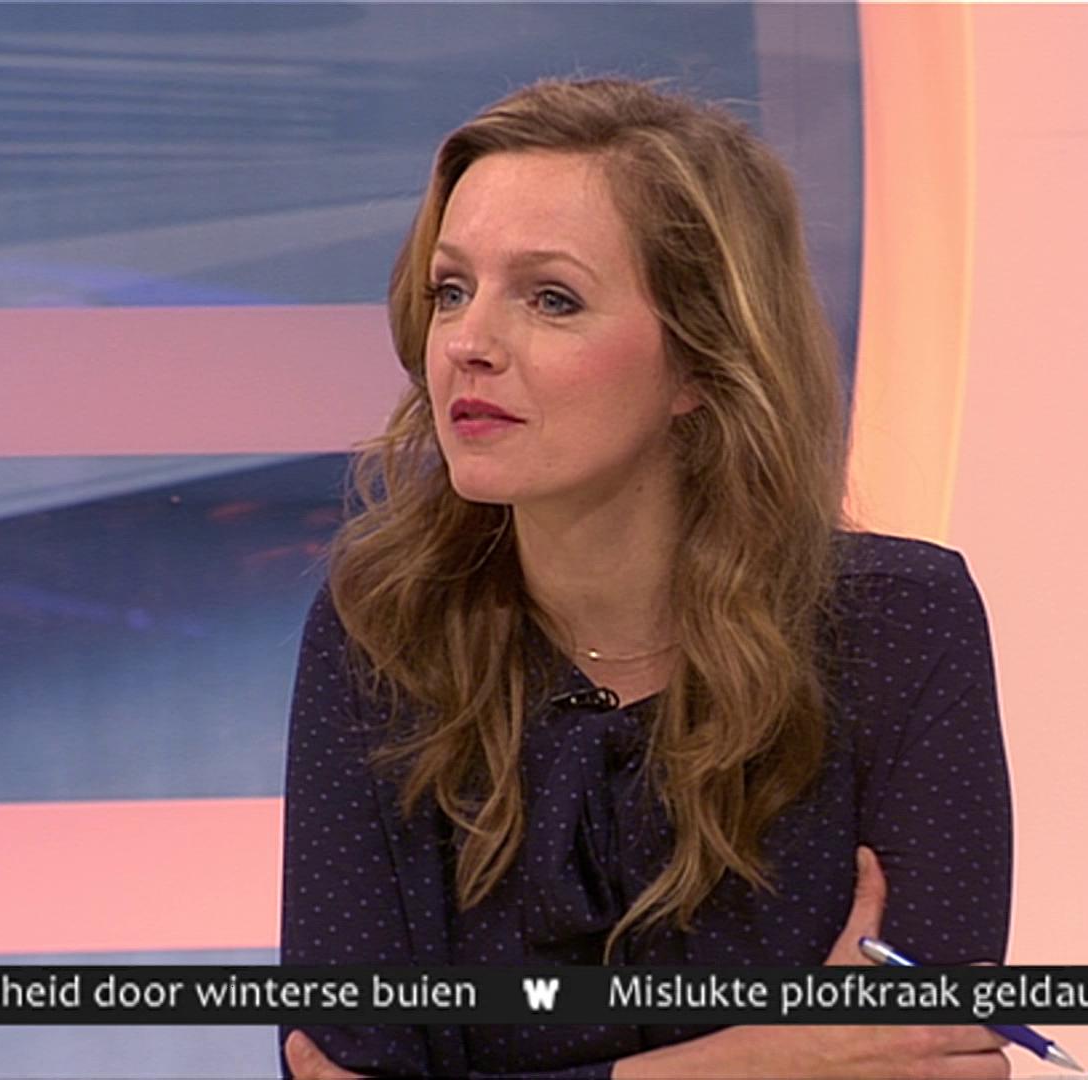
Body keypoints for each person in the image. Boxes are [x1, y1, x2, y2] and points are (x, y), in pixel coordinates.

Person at [278, 76, 1013, 1079]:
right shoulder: (382, 628)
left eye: (551, 299)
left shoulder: (899, 627)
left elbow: (926, 1052)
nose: (469, 345)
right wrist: (755, 1065)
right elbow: (338, 1059)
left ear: (700, 361)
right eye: (451, 290)